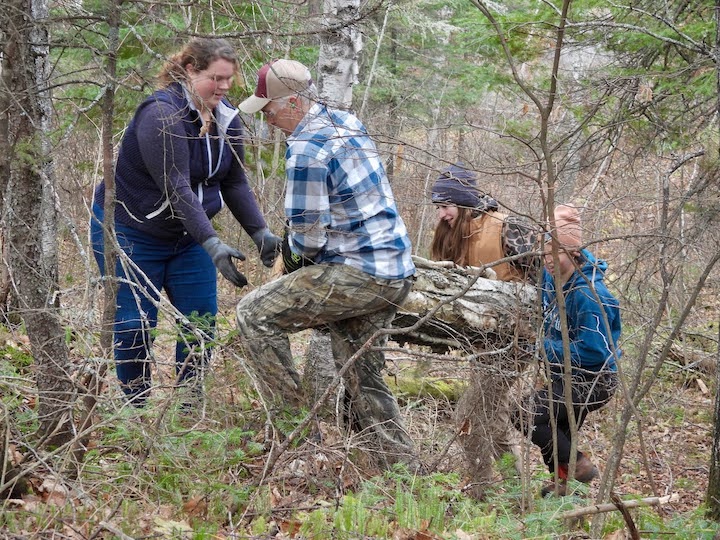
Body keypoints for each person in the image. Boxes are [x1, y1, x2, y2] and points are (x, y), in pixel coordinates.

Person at [235, 59, 417, 470]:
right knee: (363, 377)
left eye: (269, 110)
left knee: (253, 314)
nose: (267, 119)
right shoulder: (346, 122)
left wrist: (291, 259)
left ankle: (299, 440)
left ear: (294, 102)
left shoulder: (305, 150)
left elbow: (309, 238)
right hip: (394, 269)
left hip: (359, 272)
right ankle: (404, 474)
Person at [91, 38, 281, 405]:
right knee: (134, 326)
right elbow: (175, 185)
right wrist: (212, 242)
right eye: (217, 78)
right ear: (191, 70)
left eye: (229, 80)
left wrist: (260, 233)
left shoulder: (226, 117)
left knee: (201, 323)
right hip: (131, 230)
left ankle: (188, 409)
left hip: (186, 237)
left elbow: (234, 181)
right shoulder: (161, 114)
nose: (225, 87)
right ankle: (136, 411)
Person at [429, 163, 538, 496]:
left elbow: (545, 282)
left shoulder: (509, 228)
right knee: (492, 419)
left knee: (467, 417)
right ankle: (519, 495)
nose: (441, 214)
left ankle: (483, 491)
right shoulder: (453, 234)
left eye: (445, 206)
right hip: (483, 344)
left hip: (515, 342)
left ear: (463, 203)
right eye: (438, 207)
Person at [513, 204, 621, 496]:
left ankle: (579, 467)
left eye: (554, 252)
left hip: (595, 379)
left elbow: (596, 352)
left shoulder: (589, 295)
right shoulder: (551, 277)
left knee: (524, 412)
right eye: (544, 252)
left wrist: (542, 348)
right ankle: (567, 483)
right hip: (567, 375)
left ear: (573, 252)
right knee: (556, 426)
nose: (547, 259)